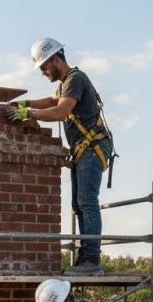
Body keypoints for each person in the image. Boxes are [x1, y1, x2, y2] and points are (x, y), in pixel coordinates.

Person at [9, 38, 115, 276]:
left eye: (45, 67)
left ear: (57, 59)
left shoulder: (75, 79)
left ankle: (92, 260)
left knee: (87, 201)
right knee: (78, 203)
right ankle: (86, 257)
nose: (45, 72)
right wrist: (24, 103)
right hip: (83, 150)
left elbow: (60, 110)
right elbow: (52, 101)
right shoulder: (65, 84)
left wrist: (28, 112)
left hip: (92, 147)